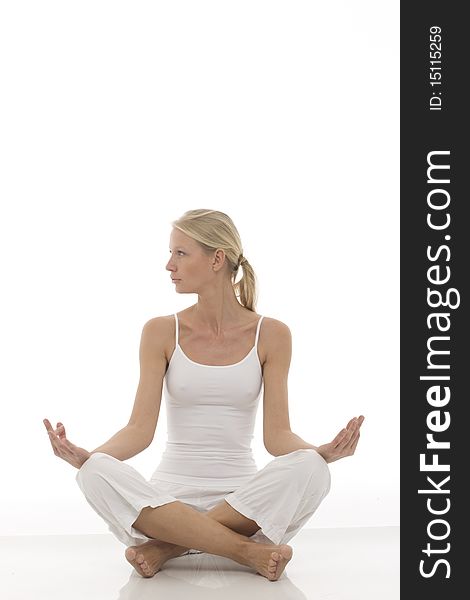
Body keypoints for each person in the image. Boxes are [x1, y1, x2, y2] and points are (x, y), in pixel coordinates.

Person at [43, 208, 364, 582]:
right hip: (166, 503)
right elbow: (138, 429)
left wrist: (324, 452)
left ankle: (169, 546)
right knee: (94, 471)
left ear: (216, 259)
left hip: (244, 503)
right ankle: (245, 551)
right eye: (170, 253)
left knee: (312, 469)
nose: (168, 265)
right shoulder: (161, 331)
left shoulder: (272, 334)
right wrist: (87, 457)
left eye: (180, 253)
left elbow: (277, 438)